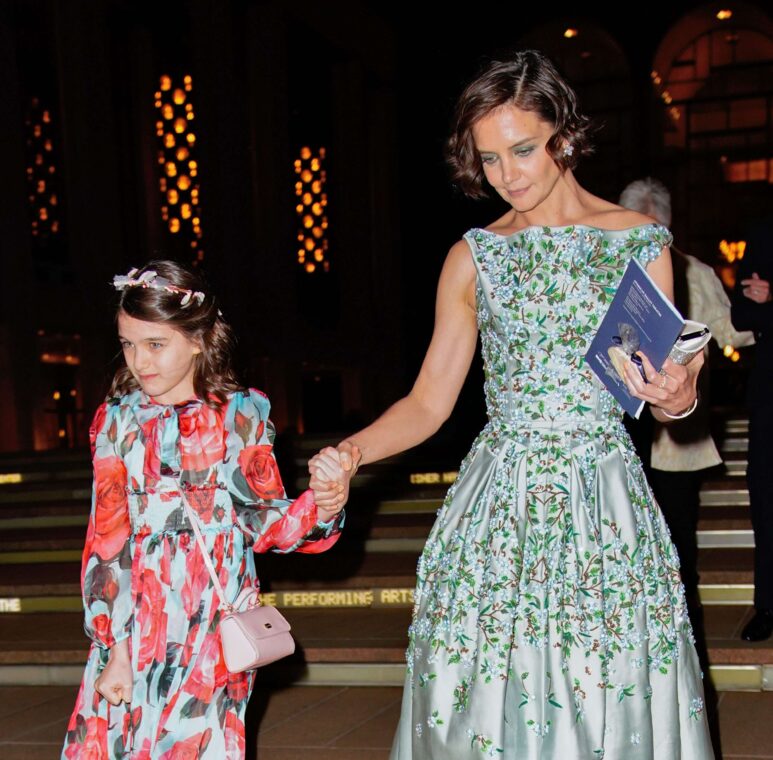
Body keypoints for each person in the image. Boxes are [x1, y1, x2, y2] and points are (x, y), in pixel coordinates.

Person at [311, 51, 713, 758]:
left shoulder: (638, 241)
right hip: (500, 506)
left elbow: (660, 395)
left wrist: (679, 395)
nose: (507, 175)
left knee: (600, 688)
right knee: (490, 699)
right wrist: (352, 451)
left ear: (562, 132)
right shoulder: (473, 257)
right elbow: (430, 401)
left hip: (602, 503)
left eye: (521, 150)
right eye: (489, 159)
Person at [61, 261, 349, 759]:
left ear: (197, 339)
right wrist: (115, 647)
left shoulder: (243, 413)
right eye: (129, 344)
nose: (139, 361)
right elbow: (107, 538)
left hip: (213, 622)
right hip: (139, 620)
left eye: (155, 344)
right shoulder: (117, 421)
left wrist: (323, 506)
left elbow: (261, 518)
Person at [619, 177, 754, 611]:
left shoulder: (695, 272)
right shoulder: (604, 277)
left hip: (674, 442)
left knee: (677, 555)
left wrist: (760, 305)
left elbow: (732, 329)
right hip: (616, 439)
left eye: (652, 226)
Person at [730, 214, 773, 641]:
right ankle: (767, 606)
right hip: (768, 389)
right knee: (764, 496)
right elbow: (741, 314)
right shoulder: (761, 230)